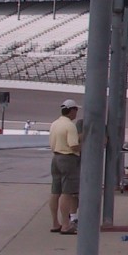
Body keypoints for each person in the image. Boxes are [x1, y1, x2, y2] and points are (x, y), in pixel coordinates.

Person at [49, 99, 81, 234]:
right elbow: (73, 146)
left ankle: (55, 223)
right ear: (72, 110)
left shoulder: (55, 124)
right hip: (68, 159)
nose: (76, 113)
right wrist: (85, 144)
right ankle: (66, 225)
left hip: (55, 158)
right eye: (76, 110)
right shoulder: (70, 126)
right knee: (66, 193)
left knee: (55, 192)